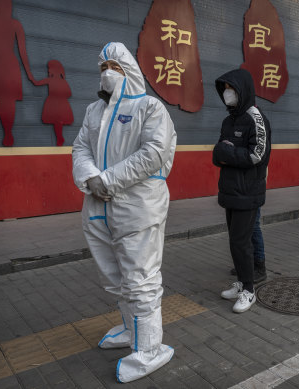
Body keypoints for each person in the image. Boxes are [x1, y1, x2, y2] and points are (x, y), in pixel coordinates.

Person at [72, 42, 177, 383]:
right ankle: (133, 331)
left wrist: (108, 180)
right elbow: (81, 147)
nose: (107, 73)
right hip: (99, 207)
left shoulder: (150, 107)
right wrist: (90, 177)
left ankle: (149, 346)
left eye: (114, 67)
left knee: (140, 278)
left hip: (138, 207)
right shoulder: (93, 112)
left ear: (129, 71)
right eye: (102, 67)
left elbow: (154, 152)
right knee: (115, 277)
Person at [213, 68, 271, 313]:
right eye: (224, 89)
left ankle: (249, 290)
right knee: (234, 242)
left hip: (248, 191)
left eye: (231, 89)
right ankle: (240, 284)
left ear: (242, 89)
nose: (227, 93)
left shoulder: (255, 118)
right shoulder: (229, 120)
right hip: (230, 190)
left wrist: (228, 153)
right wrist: (226, 154)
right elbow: (217, 155)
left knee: (242, 242)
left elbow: (258, 155)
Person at [0, 0, 35, 146]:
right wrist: (29, 74)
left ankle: (7, 133)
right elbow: (22, 52)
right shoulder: (15, 24)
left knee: (4, 98)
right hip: (9, 61)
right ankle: (8, 132)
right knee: (8, 98)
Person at [32, 60, 74, 146]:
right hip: (59, 104)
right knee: (58, 122)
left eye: (50, 69)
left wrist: (31, 77)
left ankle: (59, 137)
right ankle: (59, 137)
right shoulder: (61, 81)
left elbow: (37, 83)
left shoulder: (51, 80)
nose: (48, 71)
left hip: (56, 104)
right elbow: (69, 93)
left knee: (58, 121)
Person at [230, 207, 267, 283]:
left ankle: (260, 268)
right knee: (243, 227)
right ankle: (247, 266)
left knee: (254, 226)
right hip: (241, 198)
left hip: (252, 198)